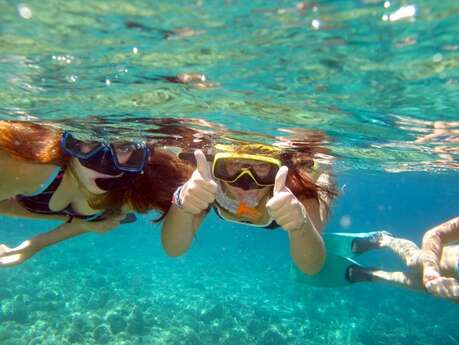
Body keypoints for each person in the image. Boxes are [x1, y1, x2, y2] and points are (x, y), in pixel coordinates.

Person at [0, 120, 192, 266]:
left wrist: (35, 245)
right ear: (71, 139)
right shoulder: (28, 167)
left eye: (124, 146)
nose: (103, 162)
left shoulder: (131, 190)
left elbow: (88, 222)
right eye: (89, 140)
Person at [161, 143, 338, 275]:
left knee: (319, 185)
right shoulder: (208, 183)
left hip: (287, 205)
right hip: (259, 210)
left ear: (277, 170)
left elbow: (311, 267)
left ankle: (325, 172)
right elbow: (173, 249)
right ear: (219, 167)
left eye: (262, 167)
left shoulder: (297, 192)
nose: (246, 182)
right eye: (234, 164)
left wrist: (301, 225)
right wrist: (182, 204)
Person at [293, 217, 459, 303]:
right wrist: (432, 273)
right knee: (414, 261)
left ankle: (371, 274)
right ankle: (385, 240)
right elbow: (435, 234)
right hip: (449, 259)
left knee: (429, 288)